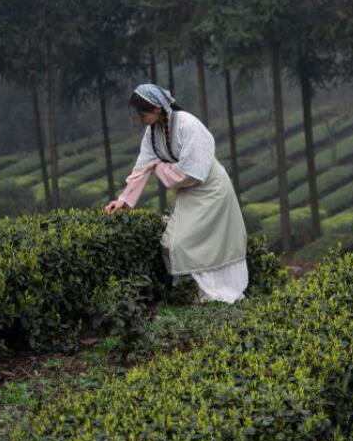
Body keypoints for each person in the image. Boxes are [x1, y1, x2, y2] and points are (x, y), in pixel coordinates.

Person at [105, 84, 248, 304]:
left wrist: (159, 167)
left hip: (212, 190)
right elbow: (142, 166)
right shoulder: (152, 132)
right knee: (173, 243)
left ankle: (216, 293)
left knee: (197, 243)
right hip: (189, 193)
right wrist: (123, 200)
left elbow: (193, 174)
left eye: (142, 114)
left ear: (156, 109)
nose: (139, 119)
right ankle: (197, 294)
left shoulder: (188, 125)